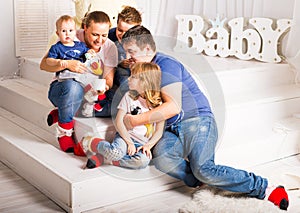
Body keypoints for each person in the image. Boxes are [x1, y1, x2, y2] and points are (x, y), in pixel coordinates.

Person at [120, 25, 289, 210]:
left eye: (131, 51)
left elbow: (173, 107)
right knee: (161, 158)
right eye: (126, 52)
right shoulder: (140, 69)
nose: (128, 57)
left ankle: (265, 188)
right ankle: (199, 181)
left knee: (204, 168)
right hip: (170, 128)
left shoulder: (166, 65)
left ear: (146, 49)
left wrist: (136, 120)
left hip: (197, 120)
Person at [40, 11, 118, 156]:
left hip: (89, 92)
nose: (99, 40)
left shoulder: (110, 47)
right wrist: (67, 64)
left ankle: (63, 112)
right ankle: (65, 134)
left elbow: (109, 78)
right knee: (73, 87)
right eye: (95, 34)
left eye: (104, 35)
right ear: (84, 28)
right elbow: (43, 65)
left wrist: (104, 87)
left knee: (115, 103)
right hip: (63, 89)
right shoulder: (70, 34)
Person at [79, 62, 165, 170]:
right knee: (116, 152)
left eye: (133, 77)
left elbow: (159, 131)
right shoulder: (129, 96)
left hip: (142, 143)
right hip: (124, 138)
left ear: (145, 82)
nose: (128, 79)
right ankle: (92, 143)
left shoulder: (159, 104)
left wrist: (148, 146)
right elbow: (119, 121)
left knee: (142, 162)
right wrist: (129, 143)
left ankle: (106, 158)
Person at [108, 6, 142, 88]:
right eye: (119, 30)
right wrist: (119, 63)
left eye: (128, 32)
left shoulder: (142, 39)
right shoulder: (109, 36)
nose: (123, 35)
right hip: (116, 70)